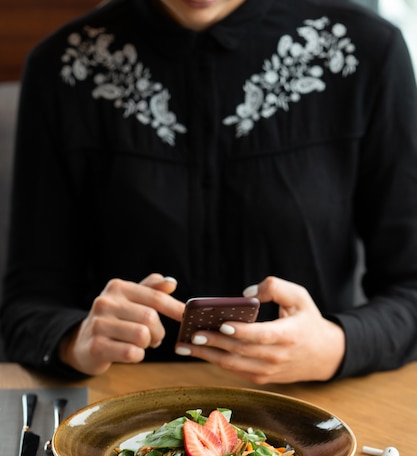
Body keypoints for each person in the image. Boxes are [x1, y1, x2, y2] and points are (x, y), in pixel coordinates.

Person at [1, 0, 417, 384]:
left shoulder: (365, 51)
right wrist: (76, 340)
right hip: (121, 420)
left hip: (315, 408)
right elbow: (28, 305)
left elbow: (410, 288)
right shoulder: (64, 66)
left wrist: (338, 345)